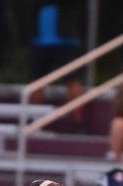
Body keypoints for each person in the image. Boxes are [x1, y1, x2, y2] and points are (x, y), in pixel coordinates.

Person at [29, 1, 85, 129]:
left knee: (72, 80)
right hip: (40, 42)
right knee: (36, 82)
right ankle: (37, 122)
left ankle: (78, 123)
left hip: (65, 41)